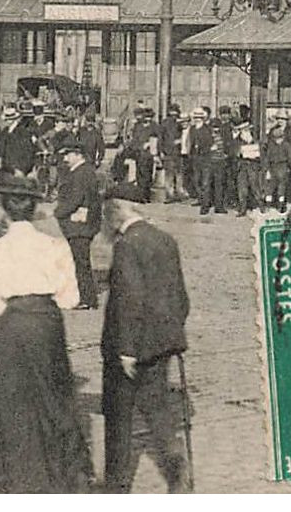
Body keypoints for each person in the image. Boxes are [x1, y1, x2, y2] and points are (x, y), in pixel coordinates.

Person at [0, 172, 92, 494]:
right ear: (35, 209)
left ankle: (18, 474)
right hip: (47, 326)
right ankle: (54, 473)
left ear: (4, 208)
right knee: (53, 397)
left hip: (14, 326)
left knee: (12, 401)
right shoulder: (56, 245)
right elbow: (71, 298)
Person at [100, 184, 191, 493]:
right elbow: (180, 296)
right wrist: (172, 332)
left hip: (129, 345)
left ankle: (116, 485)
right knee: (157, 409)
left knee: (118, 417)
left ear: (117, 211)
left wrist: (126, 349)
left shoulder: (126, 245)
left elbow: (129, 300)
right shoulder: (165, 240)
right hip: (162, 342)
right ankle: (179, 473)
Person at [53, 146, 102, 310]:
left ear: (78, 155)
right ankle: (86, 296)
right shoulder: (83, 171)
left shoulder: (82, 173)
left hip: (80, 224)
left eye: (68, 154)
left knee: (81, 261)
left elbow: (76, 198)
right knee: (80, 260)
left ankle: (87, 299)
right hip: (83, 223)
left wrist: (59, 212)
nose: (65, 158)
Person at [0, 105, 37, 177]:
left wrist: (23, 169)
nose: (7, 121)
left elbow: (28, 152)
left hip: (18, 169)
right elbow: (1, 149)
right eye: (7, 119)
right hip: (6, 168)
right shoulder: (5, 131)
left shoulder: (23, 132)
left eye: (10, 119)